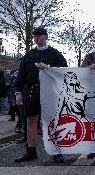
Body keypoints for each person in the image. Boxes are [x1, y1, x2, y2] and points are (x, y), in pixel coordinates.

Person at [14, 27, 67, 163]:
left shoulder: (55, 54)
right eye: (34, 36)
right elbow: (21, 74)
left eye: (39, 35)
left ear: (46, 37)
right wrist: (18, 92)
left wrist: (49, 68)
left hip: (50, 90)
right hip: (31, 90)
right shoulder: (29, 55)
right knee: (31, 119)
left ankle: (56, 151)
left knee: (52, 120)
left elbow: (64, 69)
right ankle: (31, 151)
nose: (36, 38)